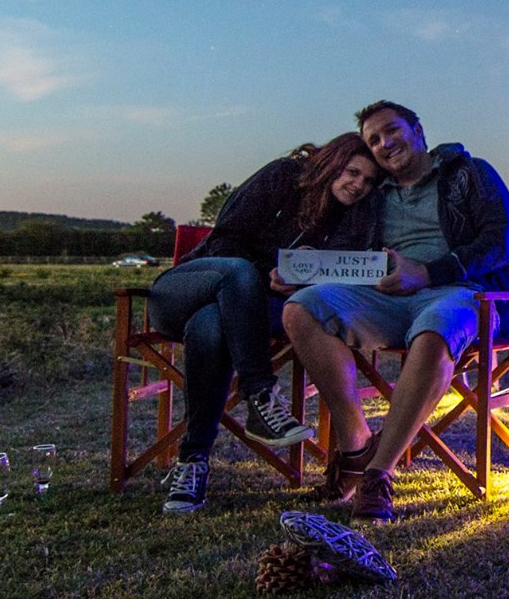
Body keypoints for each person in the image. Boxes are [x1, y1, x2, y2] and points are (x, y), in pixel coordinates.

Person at [285, 100, 509, 520]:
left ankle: (378, 474)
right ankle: (356, 445)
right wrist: (307, 264)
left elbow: (501, 242)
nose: (384, 143)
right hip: (385, 299)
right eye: (374, 140)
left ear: (418, 130)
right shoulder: (372, 195)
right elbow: (347, 249)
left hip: (460, 293)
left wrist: (428, 273)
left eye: (392, 130)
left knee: (435, 331)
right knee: (302, 308)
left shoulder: (470, 173)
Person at [151, 133, 378, 513]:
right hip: (187, 290)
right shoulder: (284, 176)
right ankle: (260, 393)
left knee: (211, 326)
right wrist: (266, 271)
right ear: (331, 163)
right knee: (238, 272)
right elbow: (224, 239)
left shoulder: (352, 221)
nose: (359, 185)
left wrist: (301, 277)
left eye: (368, 181)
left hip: (235, 316)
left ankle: (191, 464)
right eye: (352, 172)